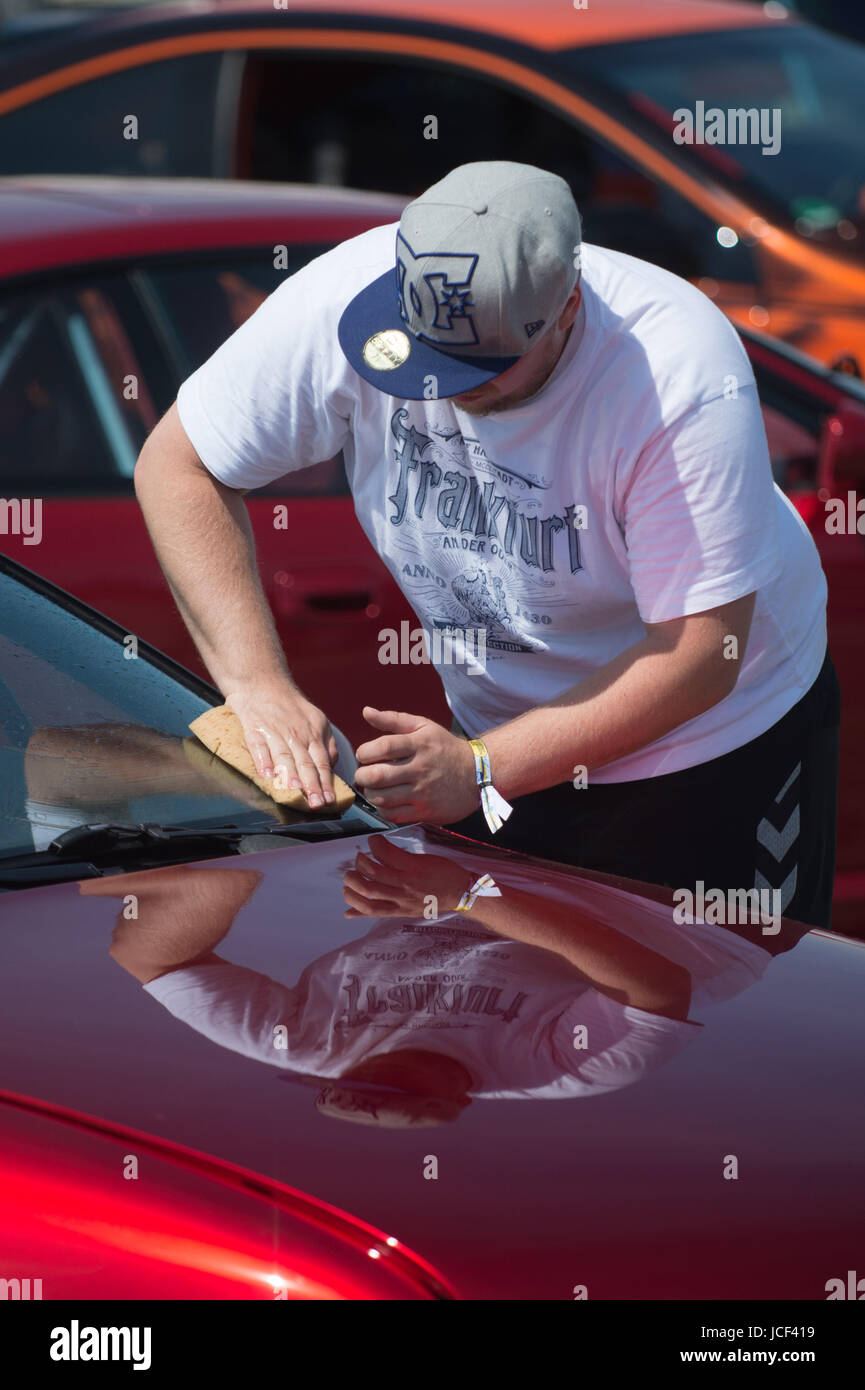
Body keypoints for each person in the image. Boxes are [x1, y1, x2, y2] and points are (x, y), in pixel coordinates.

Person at [134, 161, 839, 927]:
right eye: (420, 360)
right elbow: (180, 465)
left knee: (716, 1025)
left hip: (709, 748)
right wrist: (258, 687)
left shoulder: (673, 372)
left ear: (566, 309)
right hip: (499, 744)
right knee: (514, 1022)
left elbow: (703, 655)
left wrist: (481, 769)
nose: (440, 390)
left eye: (479, 371)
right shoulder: (342, 296)